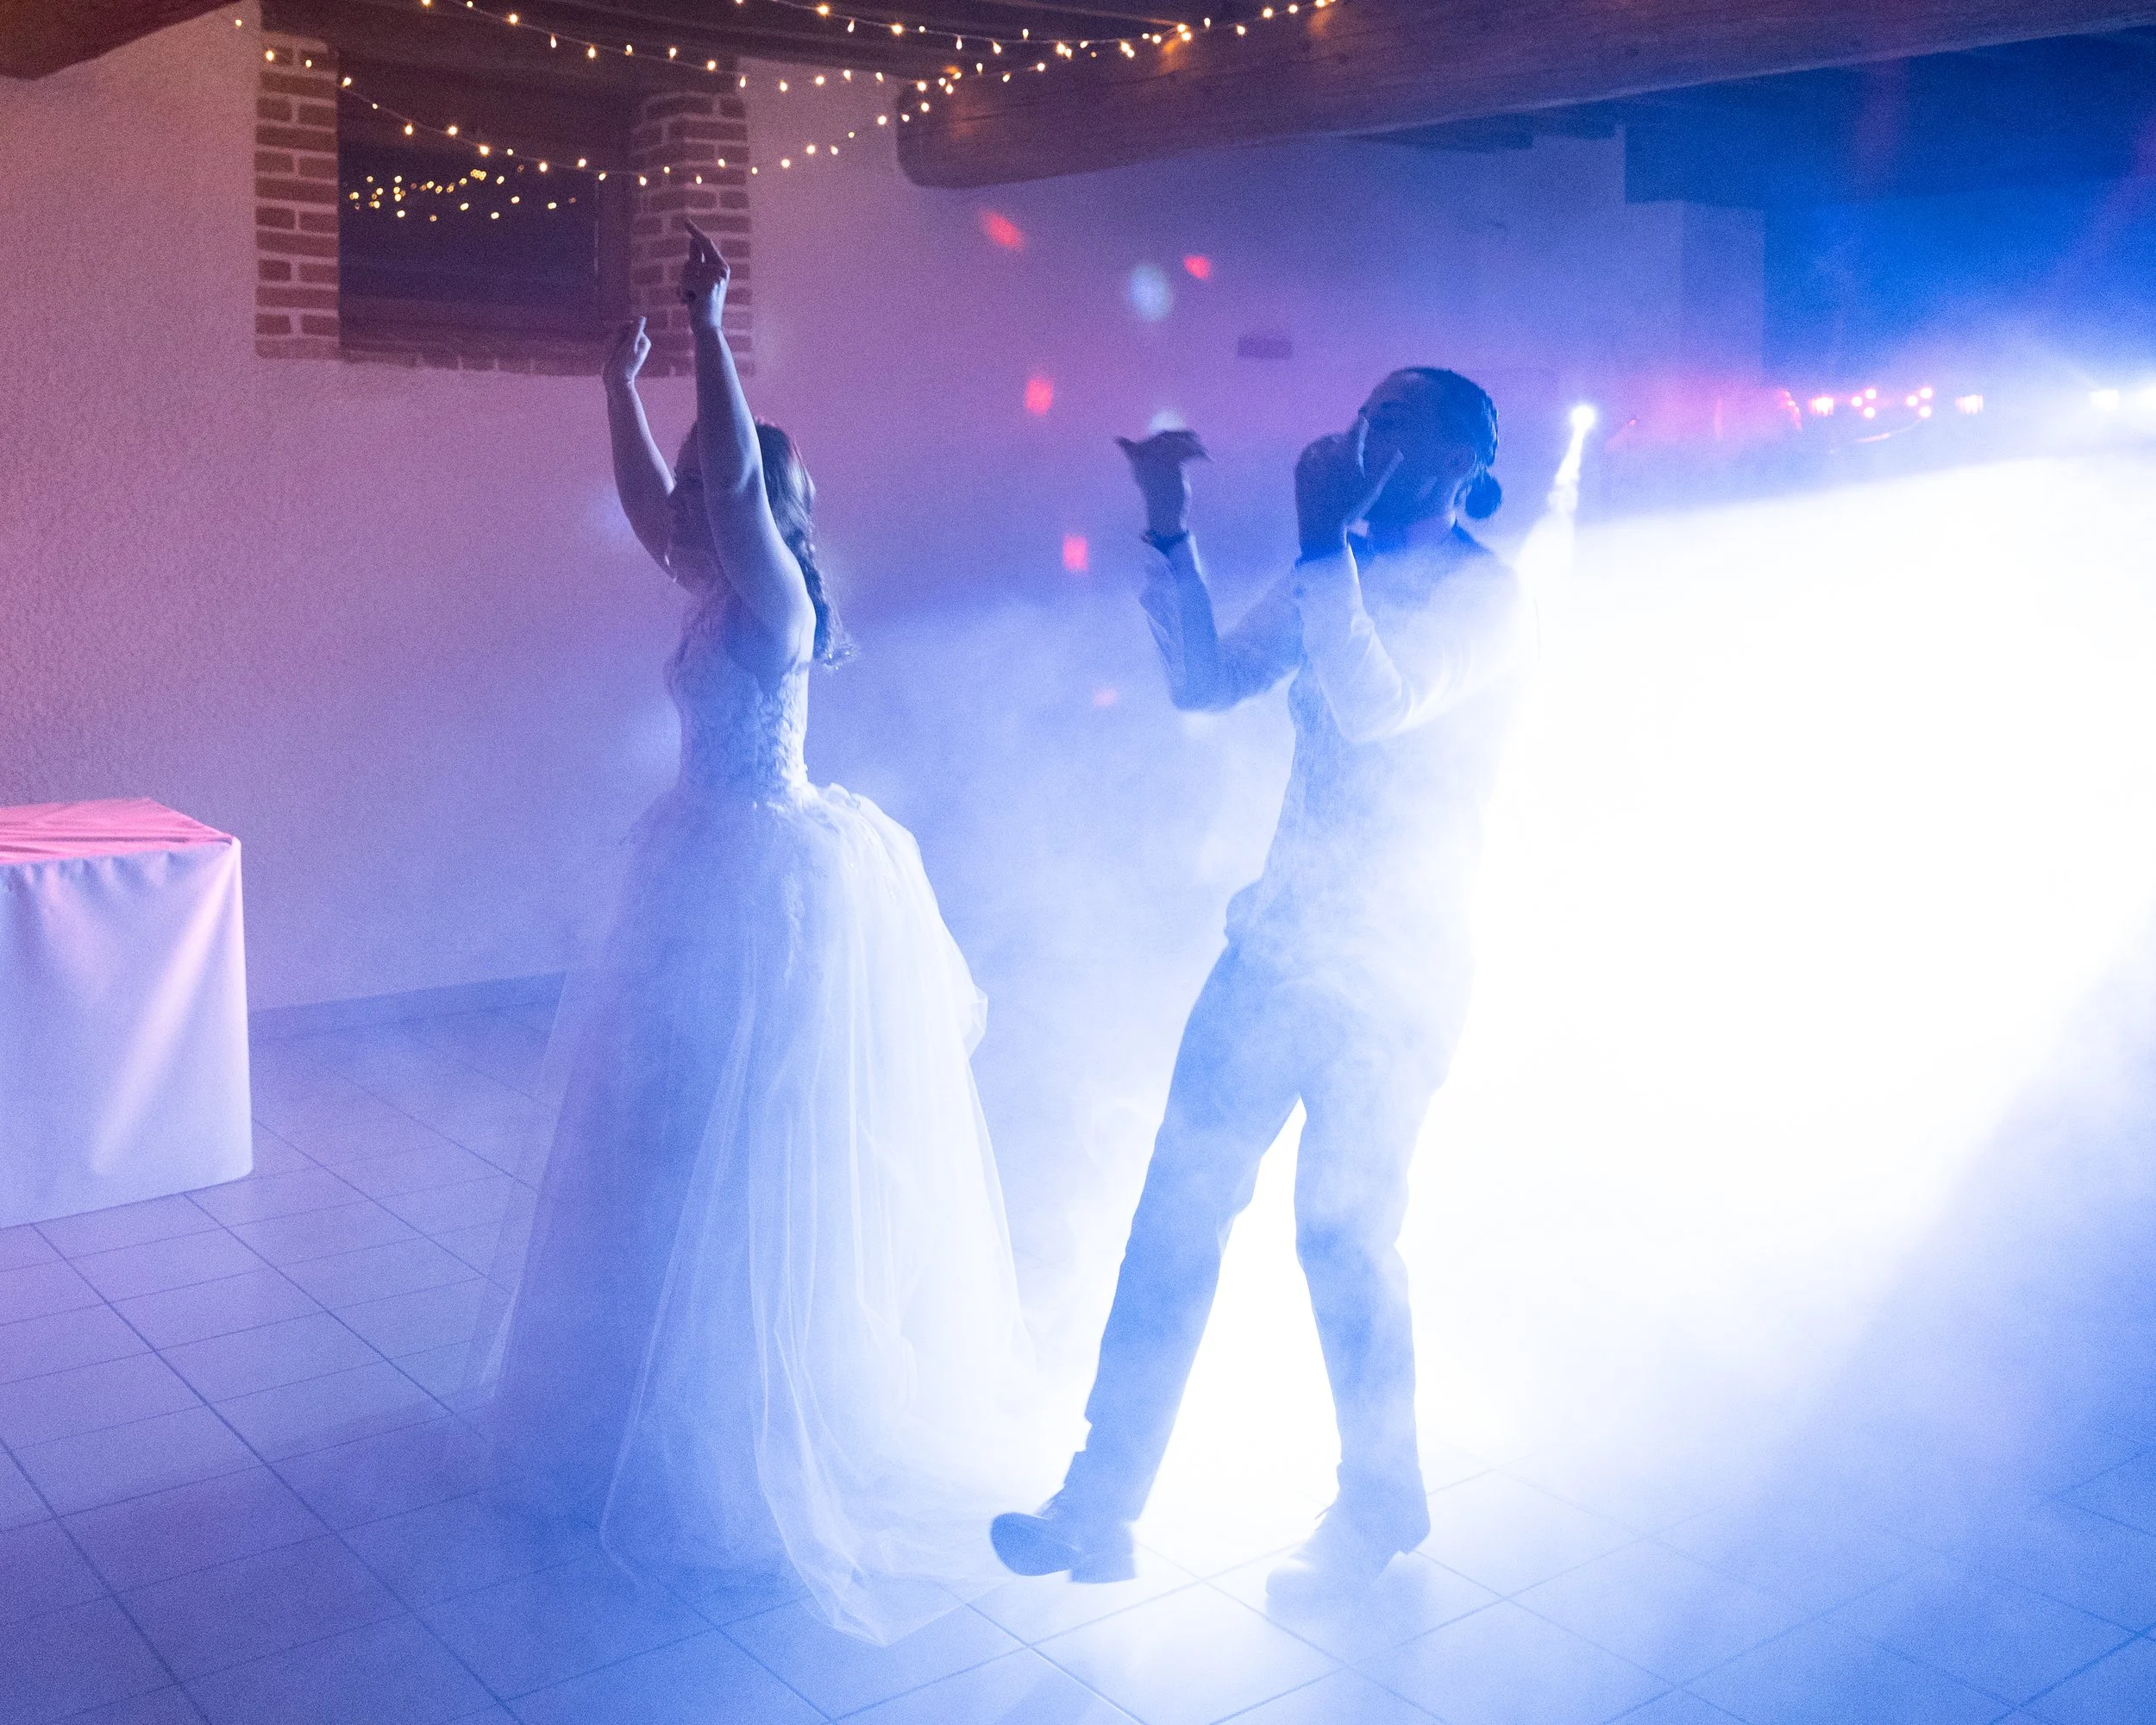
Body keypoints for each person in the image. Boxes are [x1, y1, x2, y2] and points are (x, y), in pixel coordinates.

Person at [476, 220, 1035, 1643]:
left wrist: (709, 329)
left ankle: (740, 1435)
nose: (703, 523)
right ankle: (630, 1404)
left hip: (767, 890)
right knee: (655, 1144)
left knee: (749, 1159)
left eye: (737, 502)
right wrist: (620, 382)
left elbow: (715, 479)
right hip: (694, 869)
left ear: (778, 511)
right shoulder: (714, 578)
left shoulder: (775, 595)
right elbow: (664, 493)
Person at [992, 370, 1534, 1606]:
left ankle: (1375, 1510)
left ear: (1464, 461)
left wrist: (1315, 545)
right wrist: (1171, 530)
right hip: (1278, 947)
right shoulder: (1330, 567)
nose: (1366, 433)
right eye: (1368, 414)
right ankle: (1098, 1504)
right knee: (1173, 1219)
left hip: (1398, 973)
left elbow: (1376, 701)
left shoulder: (1489, 598)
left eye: (1399, 420)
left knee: (1343, 1241)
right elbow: (1206, 683)